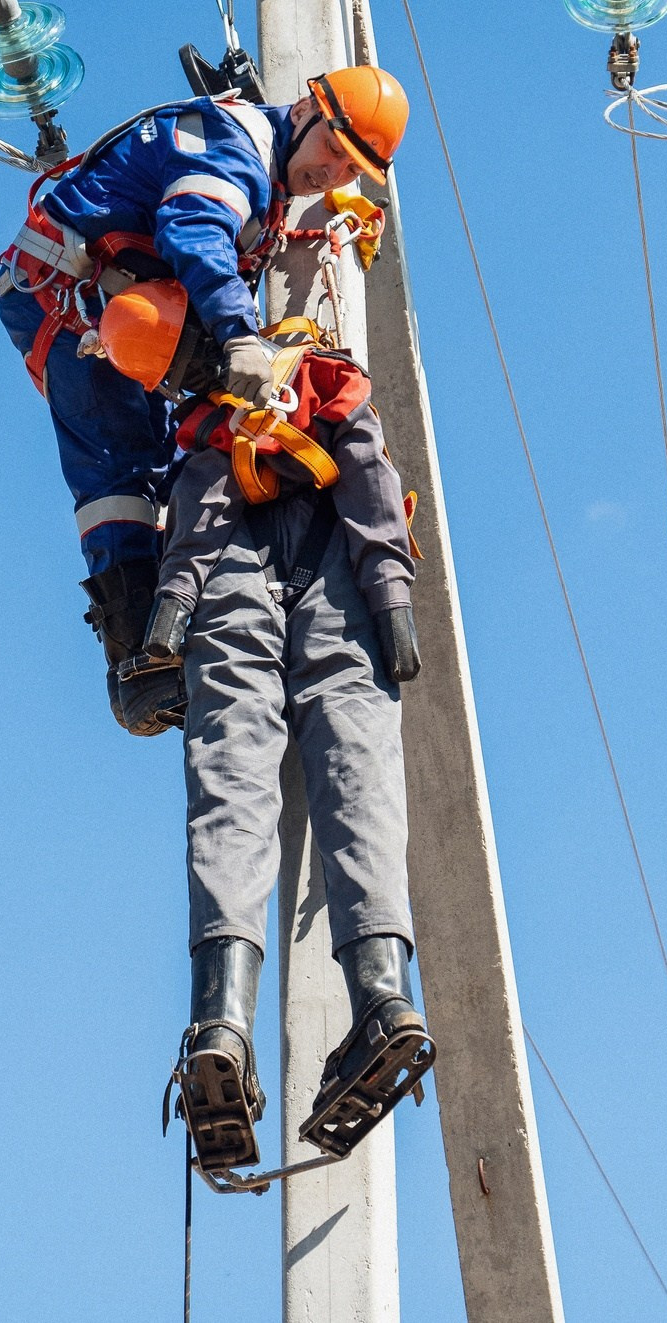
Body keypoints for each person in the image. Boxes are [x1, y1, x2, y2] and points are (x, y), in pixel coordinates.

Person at [98, 302, 437, 1176]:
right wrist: (392, 602)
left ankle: (223, 1019)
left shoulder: (220, 412)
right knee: (357, 768)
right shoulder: (333, 392)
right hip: (336, 570)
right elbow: (368, 484)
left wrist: (170, 611)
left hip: (237, 571)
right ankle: (384, 999)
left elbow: (200, 503)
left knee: (232, 774)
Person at [0, 65, 410, 735]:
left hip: (110, 299)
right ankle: (141, 670)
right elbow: (196, 230)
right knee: (124, 470)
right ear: (304, 107)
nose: (332, 172)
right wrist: (240, 333)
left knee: (173, 452)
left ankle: (167, 635)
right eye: (333, 146)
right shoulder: (237, 145)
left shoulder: (264, 173)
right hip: (67, 295)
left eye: (351, 168)